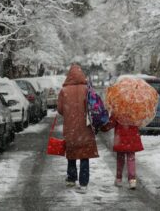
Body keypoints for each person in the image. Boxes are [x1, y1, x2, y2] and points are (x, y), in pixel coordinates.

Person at [57, 63, 99, 193]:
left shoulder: (64, 91)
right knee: (84, 154)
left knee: (72, 152)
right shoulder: (87, 89)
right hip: (85, 127)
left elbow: (60, 109)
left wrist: (69, 114)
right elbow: (94, 107)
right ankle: (83, 182)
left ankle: (71, 178)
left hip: (71, 127)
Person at [101, 114, 143, 189]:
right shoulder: (136, 109)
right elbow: (140, 122)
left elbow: (111, 123)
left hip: (120, 138)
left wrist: (103, 128)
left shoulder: (118, 108)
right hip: (132, 138)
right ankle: (132, 180)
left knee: (120, 159)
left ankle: (119, 179)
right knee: (131, 159)